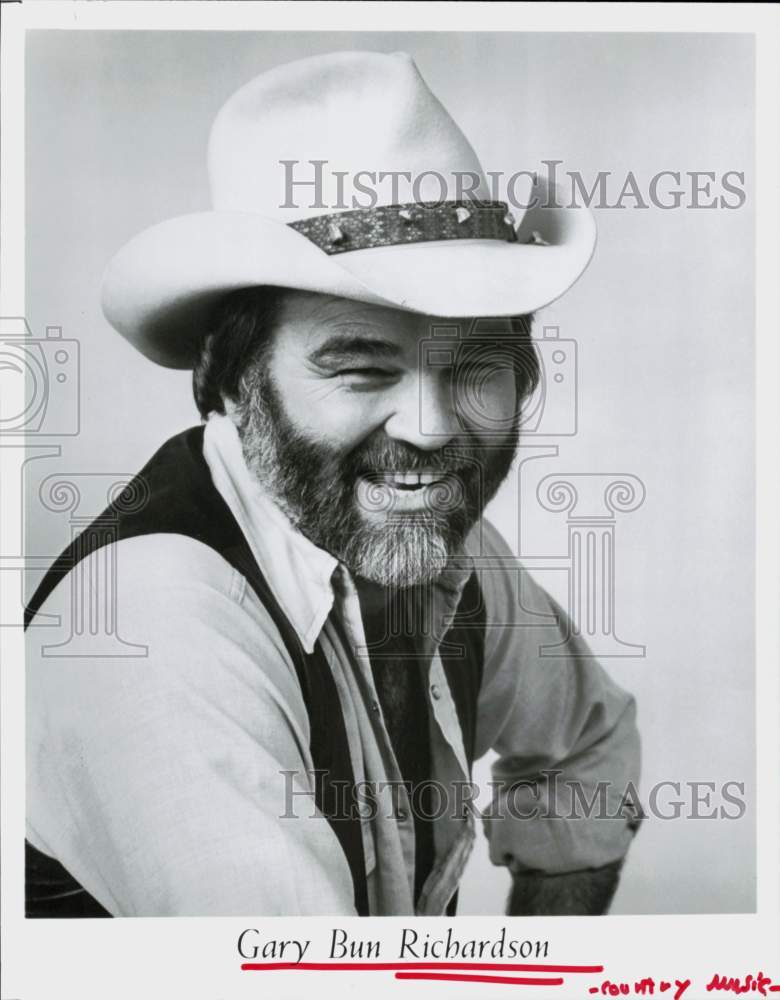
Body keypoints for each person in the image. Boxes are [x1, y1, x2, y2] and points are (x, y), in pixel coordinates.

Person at [25, 50, 641, 917]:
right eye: (360, 367)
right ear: (234, 382)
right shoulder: (148, 619)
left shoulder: (452, 556)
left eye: (475, 365)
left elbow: (589, 745)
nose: (429, 430)